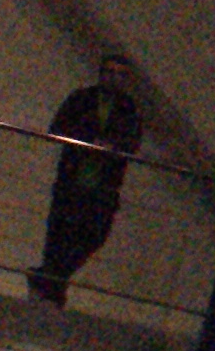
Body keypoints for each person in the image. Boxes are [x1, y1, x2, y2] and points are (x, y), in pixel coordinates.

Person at [28, 56, 146, 303]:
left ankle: (49, 279)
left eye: (120, 74)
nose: (113, 78)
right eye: (110, 72)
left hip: (104, 182)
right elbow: (59, 127)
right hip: (74, 177)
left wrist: (112, 146)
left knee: (94, 235)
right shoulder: (81, 99)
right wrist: (87, 141)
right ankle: (52, 284)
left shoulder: (129, 108)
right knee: (60, 236)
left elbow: (132, 141)